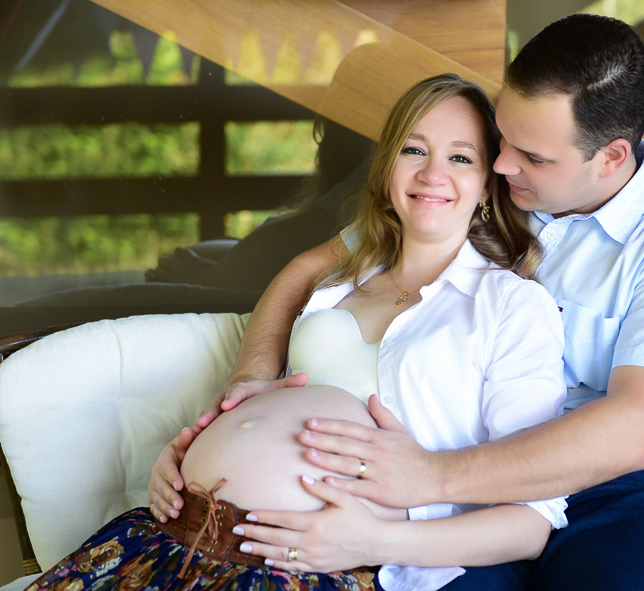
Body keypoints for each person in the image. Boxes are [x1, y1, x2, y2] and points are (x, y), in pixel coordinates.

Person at [156, 14, 644, 590]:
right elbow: (311, 268)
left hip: (608, 492)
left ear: (609, 158)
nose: (503, 163)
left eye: (532, 156)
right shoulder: (468, 189)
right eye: (501, 140)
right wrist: (251, 379)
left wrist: (430, 477)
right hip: (450, 467)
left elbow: (631, 429)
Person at [27, 74, 569, 591]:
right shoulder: (337, 282)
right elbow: (278, 402)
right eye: (413, 149)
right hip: (175, 536)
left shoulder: (513, 306)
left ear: (485, 184)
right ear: (386, 167)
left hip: (321, 569)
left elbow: (531, 521)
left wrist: (379, 537)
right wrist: (191, 454)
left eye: (460, 157)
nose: (432, 173)